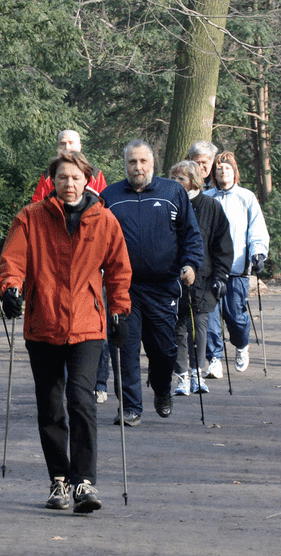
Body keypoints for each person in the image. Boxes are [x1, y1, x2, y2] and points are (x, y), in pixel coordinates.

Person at [0, 151, 132, 513]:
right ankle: (59, 480)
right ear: (52, 182)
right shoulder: (31, 217)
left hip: (87, 325)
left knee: (81, 400)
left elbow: (119, 270)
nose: (69, 185)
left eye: (75, 178)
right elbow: (12, 261)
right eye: (62, 178)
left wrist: (120, 311)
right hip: (42, 324)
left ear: (86, 180)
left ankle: (84, 482)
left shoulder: (104, 221)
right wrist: (11, 288)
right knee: (51, 404)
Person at [100, 140, 203, 425]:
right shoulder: (109, 197)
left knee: (165, 349)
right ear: (125, 165)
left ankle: (161, 389)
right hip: (124, 288)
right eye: (132, 162)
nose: (138, 167)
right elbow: (97, 241)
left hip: (163, 287)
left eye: (143, 161)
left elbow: (190, 235)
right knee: (125, 348)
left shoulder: (173, 193)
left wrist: (190, 264)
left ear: (153, 164)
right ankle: (131, 407)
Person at [168, 160, 232, 396]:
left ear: (193, 181)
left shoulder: (211, 206)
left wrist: (221, 276)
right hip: (174, 278)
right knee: (178, 328)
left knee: (200, 327)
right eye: (173, 178)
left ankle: (198, 372)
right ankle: (182, 376)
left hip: (204, 278)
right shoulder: (169, 205)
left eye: (180, 179)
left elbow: (222, 245)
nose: (175, 183)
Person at [204, 152, 270, 376]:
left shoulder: (246, 197)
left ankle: (241, 345)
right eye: (220, 168)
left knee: (235, 315)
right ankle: (214, 358)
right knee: (210, 314)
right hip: (211, 268)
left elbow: (256, 228)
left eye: (228, 168)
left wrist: (258, 253)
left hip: (237, 267)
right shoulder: (207, 197)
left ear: (235, 172)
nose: (223, 172)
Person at [30, 129, 108, 202]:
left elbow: (104, 203)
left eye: (71, 143)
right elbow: (36, 207)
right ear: (58, 148)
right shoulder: (49, 175)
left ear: (79, 146)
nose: (67, 147)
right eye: (63, 144)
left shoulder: (95, 174)